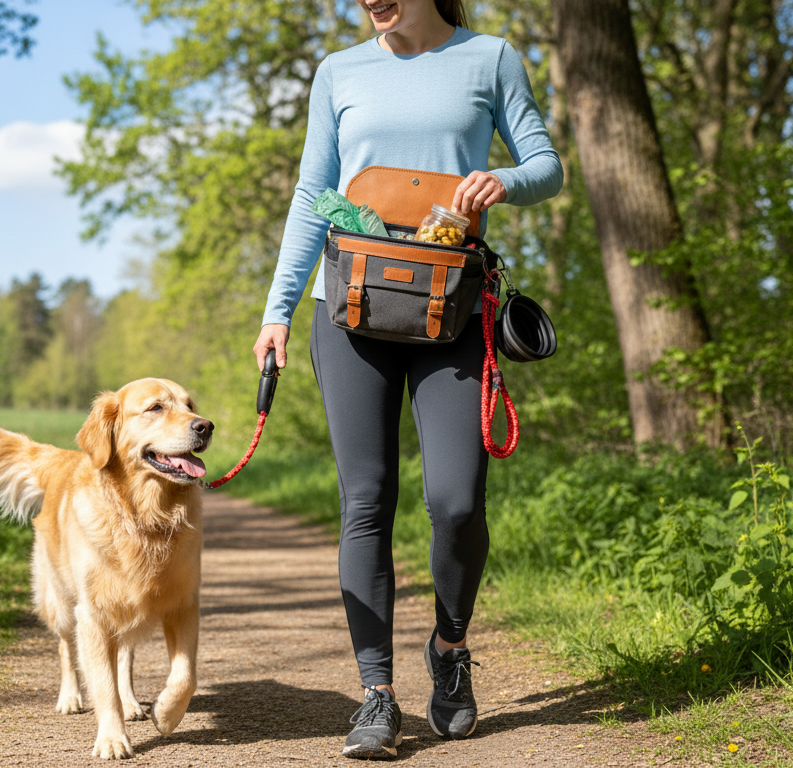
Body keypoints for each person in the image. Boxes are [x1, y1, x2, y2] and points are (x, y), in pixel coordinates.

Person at [253, 0, 563, 760]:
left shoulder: (489, 58)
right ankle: (377, 696)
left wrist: (500, 181)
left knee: (456, 501)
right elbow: (308, 193)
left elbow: (546, 167)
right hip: (348, 306)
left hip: (449, 307)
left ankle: (451, 649)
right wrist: (278, 311)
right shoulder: (339, 70)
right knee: (366, 499)